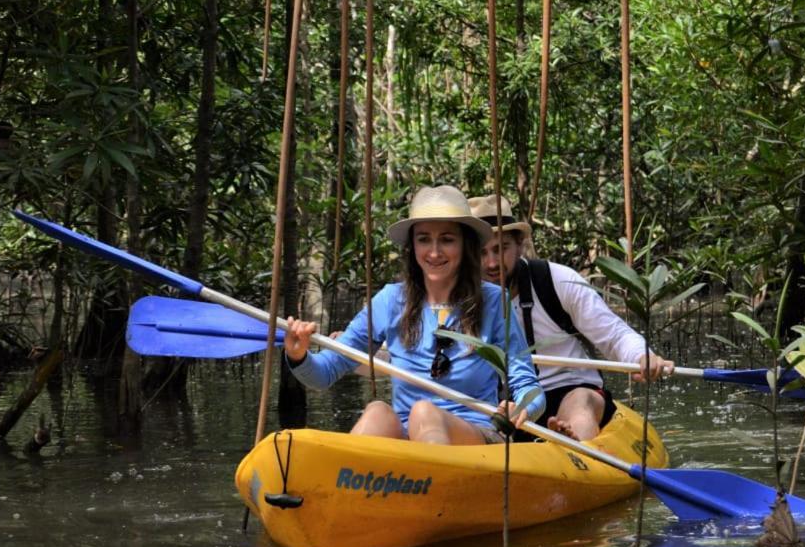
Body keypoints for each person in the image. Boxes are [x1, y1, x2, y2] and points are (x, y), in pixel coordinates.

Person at [283, 185, 545, 445]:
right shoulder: (390, 301)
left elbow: (530, 388)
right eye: (423, 239)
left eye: (447, 239)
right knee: (377, 412)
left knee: (425, 412)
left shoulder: (493, 300)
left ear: (466, 245)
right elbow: (324, 374)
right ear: (412, 247)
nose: (434, 252)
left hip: (478, 436)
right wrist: (298, 356)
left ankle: (436, 479)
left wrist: (521, 407)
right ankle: (346, 481)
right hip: (410, 442)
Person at [467, 194, 673, 441]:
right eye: (482, 253)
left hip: (569, 388)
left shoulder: (556, 280)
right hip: (504, 405)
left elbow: (613, 335)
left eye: (501, 249)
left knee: (580, 404)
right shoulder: (460, 299)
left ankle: (572, 442)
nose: (492, 263)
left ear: (520, 245)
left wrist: (642, 356)